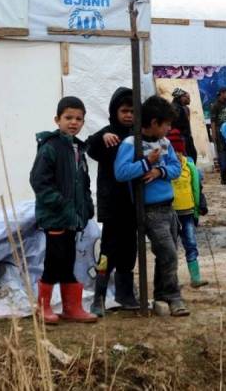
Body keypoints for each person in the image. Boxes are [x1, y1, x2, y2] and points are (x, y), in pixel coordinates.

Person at [114, 95, 189, 317]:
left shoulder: (165, 143)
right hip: (150, 209)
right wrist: (147, 162)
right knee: (168, 253)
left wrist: (159, 171)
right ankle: (173, 296)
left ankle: (161, 295)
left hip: (169, 206)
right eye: (166, 124)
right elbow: (121, 172)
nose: (169, 128)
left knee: (168, 253)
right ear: (155, 122)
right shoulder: (131, 144)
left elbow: (176, 168)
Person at [30, 96, 97, 324]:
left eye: (78, 118)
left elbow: (84, 183)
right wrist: (61, 203)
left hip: (73, 218)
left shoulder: (79, 148)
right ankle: (43, 308)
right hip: (56, 216)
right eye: (68, 117)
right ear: (57, 119)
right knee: (54, 260)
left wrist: (86, 206)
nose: (73, 122)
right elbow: (39, 181)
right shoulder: (51, 147)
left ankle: (71, 308)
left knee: (68, 260)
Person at [86, 87, 139, 317]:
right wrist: (101, 137)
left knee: (129, 251)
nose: (128, 115)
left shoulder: (139, 135)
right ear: (114, 111)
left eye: (132, 111)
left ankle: (125, 295)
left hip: (132, 205)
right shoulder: (109, 135)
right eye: (124, 110)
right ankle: (98, 298)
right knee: (108, 251)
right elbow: (89, 146)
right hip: (112, 205)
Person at [167, 130, 209, 288]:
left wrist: (199, 207)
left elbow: (197, 188)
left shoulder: (190, 167)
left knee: (191, 243)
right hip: (170, 214)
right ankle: (172, 280)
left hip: (188, 213)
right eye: (173, 151)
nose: (176, 155)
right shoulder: (165, 168)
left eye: (178, 151)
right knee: (170, 247)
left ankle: (195, 277)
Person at [170, 88, 198, 162]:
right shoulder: (177, 108)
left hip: (184, 137)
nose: (189, 100)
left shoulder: (182, 108)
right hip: (182, 137)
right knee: (189, 157)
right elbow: (177, 124)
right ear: (181, 97)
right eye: (187, 98)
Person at [209, 87, 226, 160]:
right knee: (221, 149)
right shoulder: (215, 105)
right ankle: (223, 166)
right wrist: (214, 133)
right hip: (219, 130)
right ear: (221, 93)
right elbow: (213, 120)